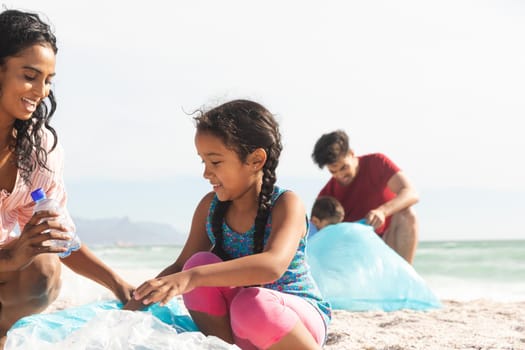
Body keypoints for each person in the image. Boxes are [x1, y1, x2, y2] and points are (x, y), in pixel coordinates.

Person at [125, 100, 330, 349]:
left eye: (216, 162)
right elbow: (181, 267)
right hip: (242, 325)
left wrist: (191, 277)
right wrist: (130, 311)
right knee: (197, 263)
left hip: (294, 319)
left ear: (255, 160)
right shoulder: (210, 208)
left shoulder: (285, 204)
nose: (206, 173)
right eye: (203, 162)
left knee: (246, 302)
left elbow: (273, 265)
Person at [0, 9, 134, 345]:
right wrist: (12, 256)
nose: (41, 91)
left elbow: (59, 238)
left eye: (48, 80)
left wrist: (118, 285)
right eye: (29, 76)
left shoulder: (38, 148)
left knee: (43, 267)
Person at [312, 129, 419, 264]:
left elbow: (411, 192)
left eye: (344, 168)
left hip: (388, 241)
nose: (340, 175)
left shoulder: (377, 162)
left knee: (407, 214)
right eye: (333, 171)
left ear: (351, 153)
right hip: (359, 255)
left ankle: (405, 279)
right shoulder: (327, 195)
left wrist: (382, 211)